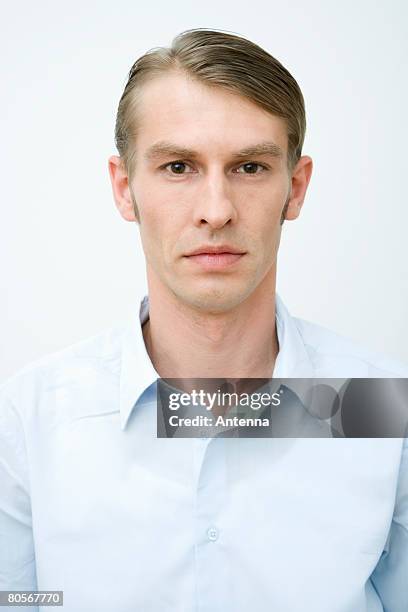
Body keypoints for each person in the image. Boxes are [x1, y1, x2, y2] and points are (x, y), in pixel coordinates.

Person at [0, 28, 407, 612]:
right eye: (178, 166)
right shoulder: (29, 420)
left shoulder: (385, 408)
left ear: (295, 188)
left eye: (248, 167)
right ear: (123, 188)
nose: (216, 211)